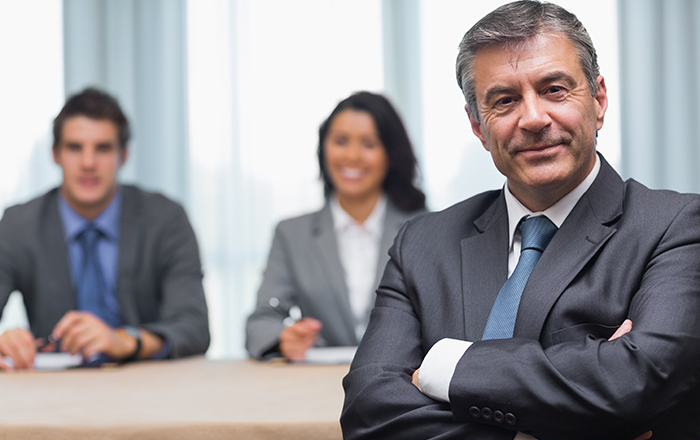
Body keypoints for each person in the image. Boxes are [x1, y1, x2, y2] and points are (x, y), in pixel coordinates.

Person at [341, 1, 700, 440]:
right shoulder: (421, 244)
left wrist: (445, 366)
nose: (532, 118)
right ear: (478, 125)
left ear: (598, 99)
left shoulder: (676, 226)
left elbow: (635, 385)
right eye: (505, 100)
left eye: (554, 89)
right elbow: (369, 419)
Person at [0, 88, 210, 370]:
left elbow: (194, 328)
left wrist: (127, 340)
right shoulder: (18, 225)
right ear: (55, 154)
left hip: (146, 385)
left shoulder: (166, 219)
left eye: (103, 148)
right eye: (75, 148)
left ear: (123, 155)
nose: (88, 164)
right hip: (51, 389)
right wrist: (6, 342)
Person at [246, 91, 427, 361]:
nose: (352, 156)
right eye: (341, 141)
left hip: (405, 381)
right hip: (315, 383)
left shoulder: (425, 228)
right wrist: (284, 339)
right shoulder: (291, 234)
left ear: (390, 153)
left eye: (369, 144)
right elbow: (260, 323)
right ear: (324, 148)